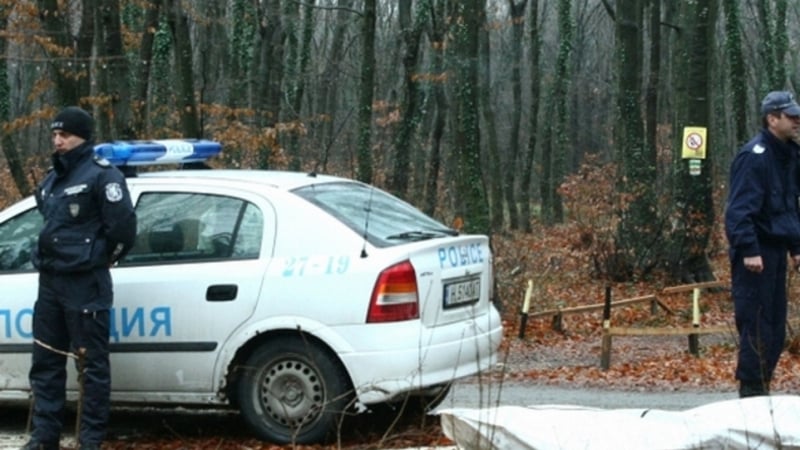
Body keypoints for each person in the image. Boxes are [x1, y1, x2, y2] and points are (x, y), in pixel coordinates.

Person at [24, 107, 137, 450]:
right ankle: (44, 438)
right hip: (51, 282)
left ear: (83, 137)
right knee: (45, 363)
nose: (58, 141)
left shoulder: (103, 176)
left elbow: (122, 230)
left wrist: (97, 260)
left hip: (85, 284)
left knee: (91, 367)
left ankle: (89, 441)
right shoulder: (53, 178)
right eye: (55, 135)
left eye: (66, 135)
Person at [725, 90, 800, 398]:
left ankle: (761, 388)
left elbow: (789, 206)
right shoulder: (754, 156)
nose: (797, 122)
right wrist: (749, 250)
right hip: (754, 254)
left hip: (777, 251)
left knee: (775, 328)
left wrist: (796, 246)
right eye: (791, 117)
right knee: (756, 325)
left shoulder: (790, 155)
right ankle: (751, 394)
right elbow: (738, 210)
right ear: (772, 119)